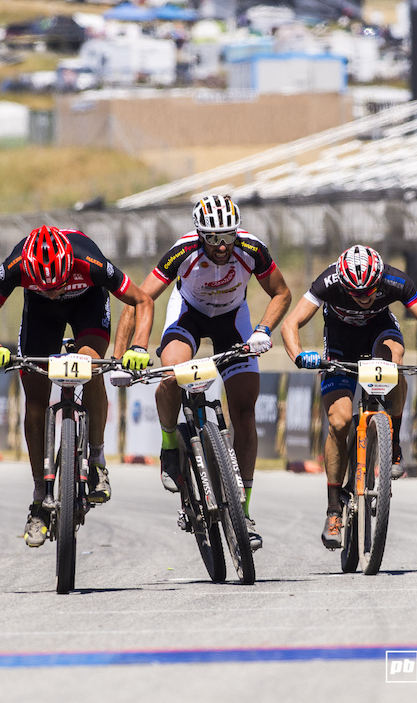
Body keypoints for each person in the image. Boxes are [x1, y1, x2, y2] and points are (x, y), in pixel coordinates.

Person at [114, 194, 291, 551]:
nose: (222, 247)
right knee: (171, 378)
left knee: (244, 411)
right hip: (189, 316)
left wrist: (264, 330)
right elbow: (138, 298)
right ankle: (168, 445)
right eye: (213, 239)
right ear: (199, 234)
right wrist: (126, 354)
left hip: (233, 321)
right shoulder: (182, 252)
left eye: (228, 237)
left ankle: (244, 511)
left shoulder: (251, 249)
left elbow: (282, 294)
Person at [0, 225, 153, 548]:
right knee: (36, 402)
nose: (54, 289)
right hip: (41, 315)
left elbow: (142, 301)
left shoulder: (89, 260)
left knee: (90, 367)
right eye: (46, 284)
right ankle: (39, 497)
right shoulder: (16, 265)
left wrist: (138, 346)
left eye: (59, 281)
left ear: (70, 264)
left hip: (88, 304)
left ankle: (96, 460)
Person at [280, 244, 417, 549]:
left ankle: (394, 443)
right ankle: (334, 508)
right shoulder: (328, 282)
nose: (364, 298)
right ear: (343, 284)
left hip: (380, 333)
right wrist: (299, 355)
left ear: (380, 279)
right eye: (356, 293)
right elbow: (291, 323)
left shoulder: (395, 281)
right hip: (339, 343)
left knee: (393, 363)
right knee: (338, 422)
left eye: (370, 291)